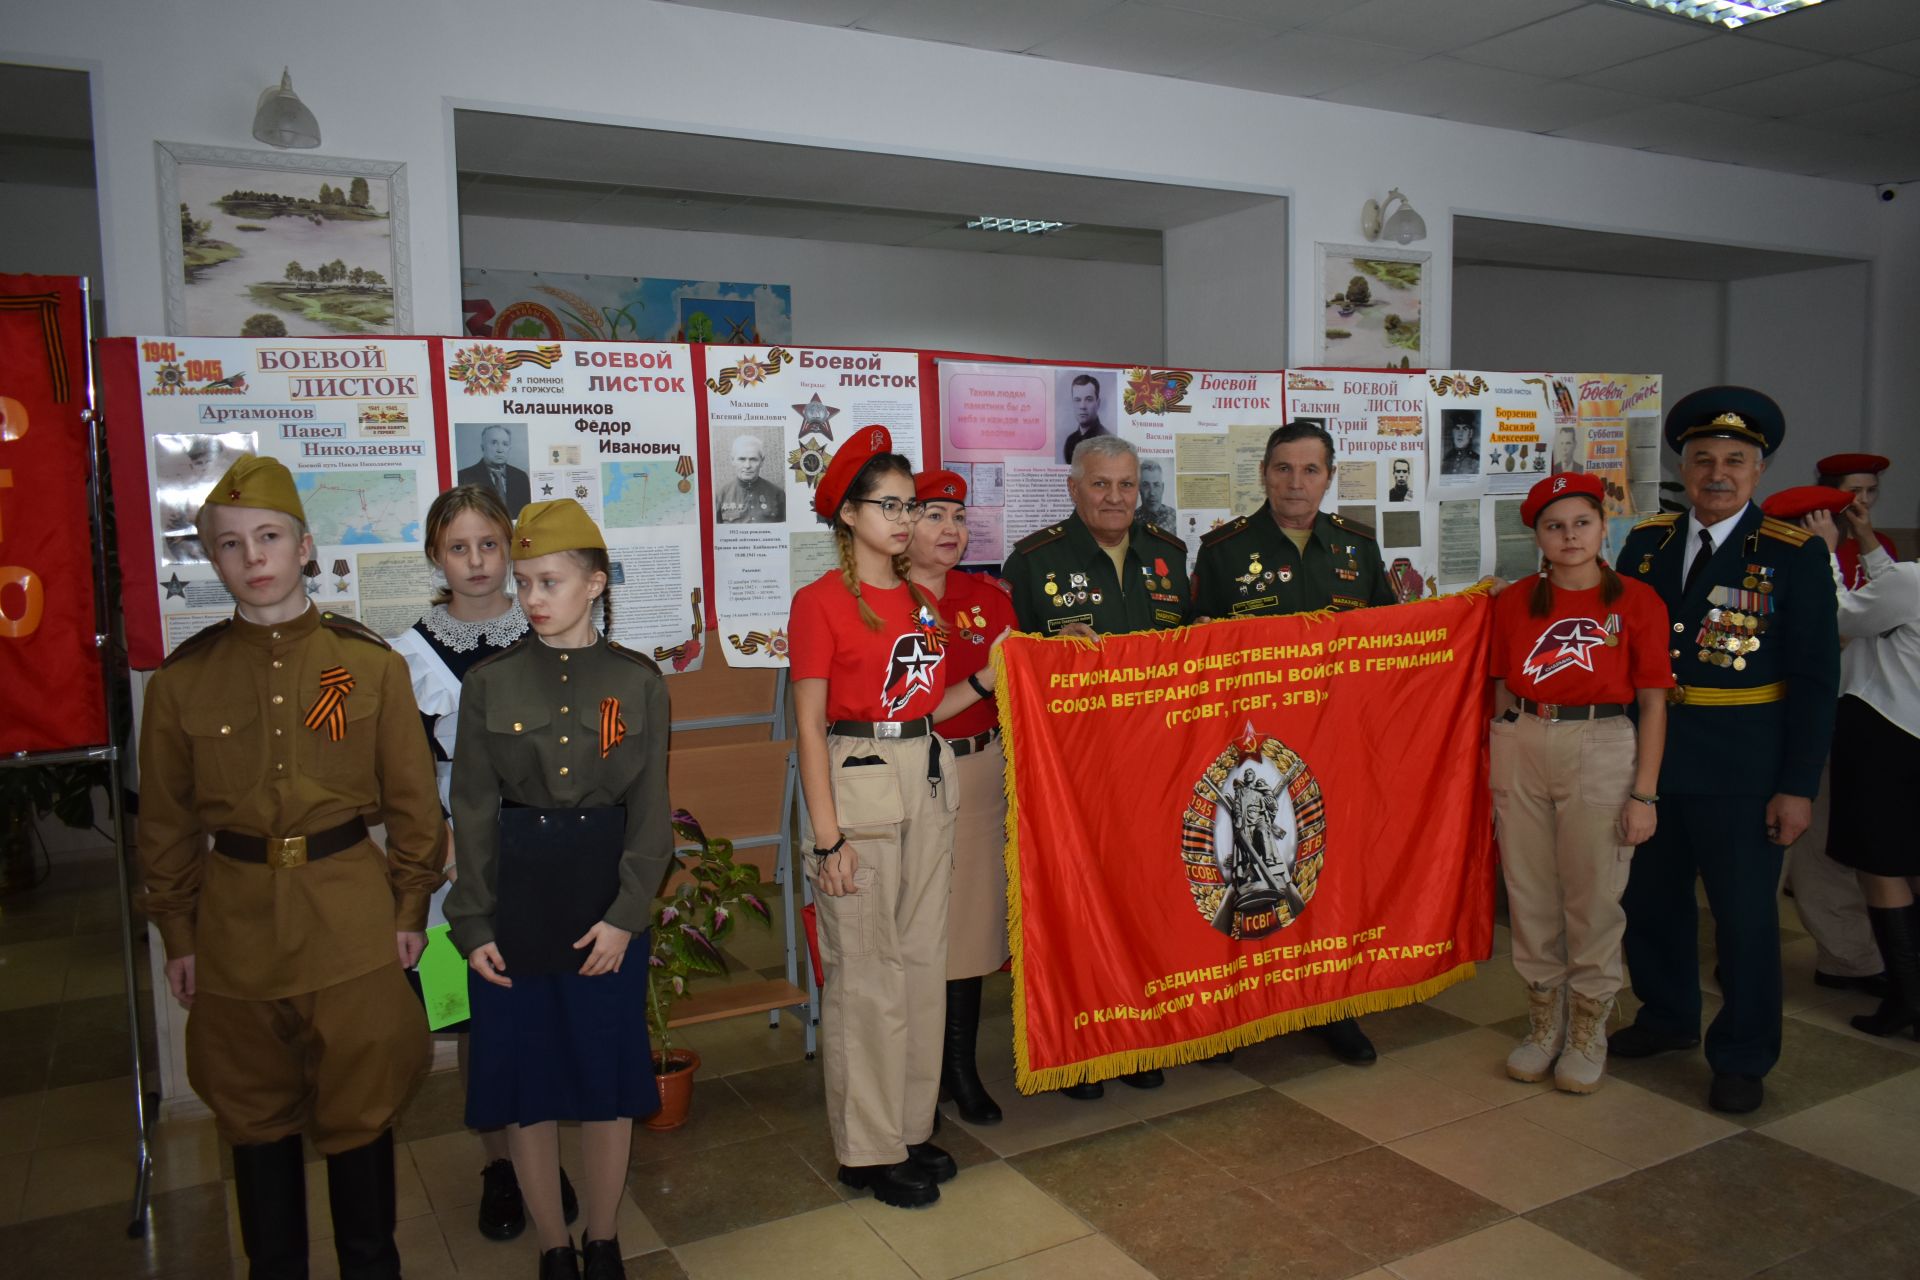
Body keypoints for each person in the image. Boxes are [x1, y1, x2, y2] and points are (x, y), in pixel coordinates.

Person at [136, 455, 444, 1280]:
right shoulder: (181, 682)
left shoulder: (369, 665)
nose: (254, 556)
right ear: (214, 560)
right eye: (231, 544)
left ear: (306, 547)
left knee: (362, 1109)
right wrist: (177, 933)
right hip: (234, 930)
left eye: (269, 537)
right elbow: (163, 824)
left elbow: (417, 805)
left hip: (351, 923)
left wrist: (409, 909)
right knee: (253, 1118)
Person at [446, 499, 673, 1280]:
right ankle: (553, 1244)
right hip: (518, 900)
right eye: (525, 583)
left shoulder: (639, 683)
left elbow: (649, 815)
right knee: (525, 1086)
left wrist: (625, 918)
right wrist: (472, 924)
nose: (532, 598)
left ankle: (603, 1236)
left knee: (608, 1083)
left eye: (549, 581)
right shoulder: (491, 683)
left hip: (605, 900)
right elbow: (472, 810)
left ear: (595, 584)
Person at [790, 425, 1004, 1207]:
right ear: (848, 514)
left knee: (919, 965)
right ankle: (866, 1148)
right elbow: (810, 723)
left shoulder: (918, 600)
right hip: (859, 782)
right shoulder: (820, 603)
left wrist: (984, 682)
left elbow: (926, 705)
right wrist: (828, 837)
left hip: (926, 773)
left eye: (912, 506)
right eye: (891, 506)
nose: (908, 520)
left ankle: (911, 1127)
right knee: (867, 975)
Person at [1613, 386, 1839, 1115]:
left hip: (1744, 770)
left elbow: (1813, 678)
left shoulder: (1790, 554)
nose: (1717, 472)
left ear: (1758, 471)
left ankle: (1742, 1053)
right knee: (1651, 902)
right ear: (1684, 465)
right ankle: (1668, 1016)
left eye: (1735, 461)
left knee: (1744, 920)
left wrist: (1798, 785)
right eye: (1704, 458)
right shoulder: (1646, 543)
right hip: (1651, 762)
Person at [387, 484, 581, 1242]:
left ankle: (548, 1153)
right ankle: (501, 1164)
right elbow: (403, 776)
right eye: (458, 547)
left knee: (545, 1003)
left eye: (489, 545)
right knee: (473, 1019)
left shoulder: (548, 630)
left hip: (547, 849)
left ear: (512, 550)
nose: (476, 561)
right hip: (454, 858)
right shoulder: (406, 654)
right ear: (437, 556)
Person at [1189, 420, 1390, 1066]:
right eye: (1283, 469)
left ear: (1329, 477)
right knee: (1251, 878)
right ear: (1263, 475)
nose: (1296, 483)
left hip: (1338, 749)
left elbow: (1391, 638)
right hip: (1256, 757)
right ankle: (1242, 1008)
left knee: (1333, 878)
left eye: (1310, 470)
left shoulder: (1357, 548)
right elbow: (1197, 656)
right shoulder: (1223, 551)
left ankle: (1334, 1004)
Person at [1002, 434, 1185, 1097]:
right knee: (1075, 905)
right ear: (1074, 489)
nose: (1115, 498)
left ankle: (1138, 1036)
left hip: (1157, 765)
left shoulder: (1170, 557)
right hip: (1069, 775)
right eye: (1101, 485)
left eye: (1127, 485)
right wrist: (1052, 647)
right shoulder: (1033, 562)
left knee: (1147, 899)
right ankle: (1081, 1043)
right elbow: (1008, 661)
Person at [1487, 473, 1672, 1093]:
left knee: (1593, 897)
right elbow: (1499, 684)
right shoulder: (1513, 602)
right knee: (1531, 892)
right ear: (1538, 537)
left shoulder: (1638, 601)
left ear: (1603, 527)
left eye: (1581, 523)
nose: (1569, 536)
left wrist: (1643, 793)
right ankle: (1544, 1024)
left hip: (1602, 745)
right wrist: (1503, 743)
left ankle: (1589, 1027)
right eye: (1554, 526)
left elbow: (1653, 704)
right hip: (1525, 739)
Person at [905, 468, 1019, 1127]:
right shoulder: (882, 602)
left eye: (957, 515)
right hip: (912, 772)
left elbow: (1020, 677)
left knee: (972, 931)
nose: (950, 529)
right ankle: (919, 1069)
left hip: (980, 774)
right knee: (917, 929)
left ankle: (960, 1068)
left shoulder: (988, 597)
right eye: (932, 515)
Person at [1797, 492, 1920, 1039]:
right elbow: (1894, 591)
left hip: (1885, 736)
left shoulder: (1912, 583)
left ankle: (1906, 1000)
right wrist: (1867, 541)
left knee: (1882, 870)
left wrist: (1826, 552)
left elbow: (1841, 613)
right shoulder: (1907, 582)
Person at [1763, 486, 1889, 997]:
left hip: (1829, 726)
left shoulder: (1838, 564)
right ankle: (1746, 956)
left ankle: (1848, 958)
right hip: (1770, 729)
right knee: (1764, 853)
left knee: (1825, 851)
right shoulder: (1766, 579)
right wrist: (1828, 555)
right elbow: (1836, 624)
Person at [1815, 452, 1896, 590]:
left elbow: (1893, 593)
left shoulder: (1882, 542)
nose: (1864, 499)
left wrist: (1867, 537)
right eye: (1855, 490)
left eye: (1871, 490)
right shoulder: (1817, 541)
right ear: (1832, 491)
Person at [459, 424, 534, 515]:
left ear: (509, 448)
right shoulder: (463, 477)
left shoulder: (521, 477)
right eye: (494, 443)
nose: (500, 449)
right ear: (483, 447)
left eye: (505, 444)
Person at [715, 433, 785, 524]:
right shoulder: (721, 495)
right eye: (742, 459)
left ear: (762, 461)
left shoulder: (777, 494)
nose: (747, 466)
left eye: (753, 459)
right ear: (733, 460)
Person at [1059, 374, 1111, 464]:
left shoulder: (1108, 441)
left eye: (1089, 399)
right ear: (1072, 403)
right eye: (1077, 400)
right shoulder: (1070, 442)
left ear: (1098, 403)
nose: (1082, 406)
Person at [1135, 458, 1175, 529]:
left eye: (1156, 485)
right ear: (1139, 488)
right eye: (1146, 485)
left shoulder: (1174, 517)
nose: (1152, 493)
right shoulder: (1132, 520)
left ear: (1162, 488)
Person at [1441, 412, 1478, 477]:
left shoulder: (1476, 461)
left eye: (1465, 429)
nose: (1460, 433)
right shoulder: (1446, 458)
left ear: (1471, 433)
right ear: (1452, 432)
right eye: (1457, 428)